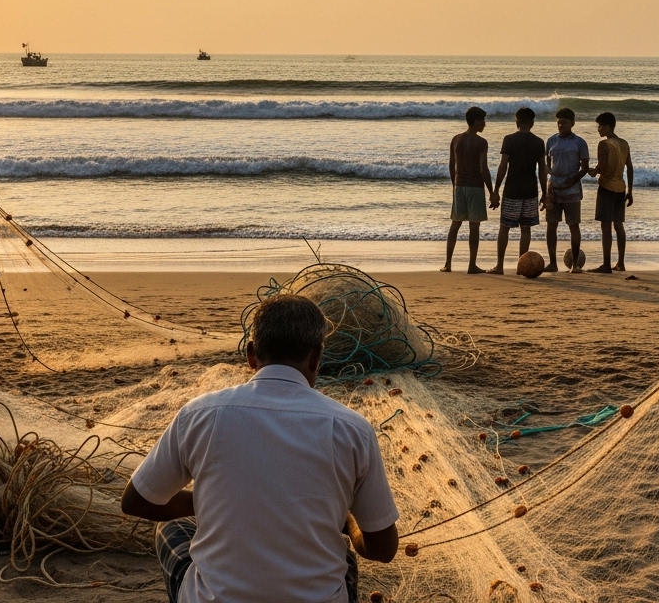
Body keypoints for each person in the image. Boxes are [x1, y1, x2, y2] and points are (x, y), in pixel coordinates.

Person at [120, 294, 399, 603]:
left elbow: (136, 501)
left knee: (169, 530)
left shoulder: (200, 414)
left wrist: (206, 503)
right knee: (342, 556)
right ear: (316, 358)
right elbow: (383, 549)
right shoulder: (352, 428)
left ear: (251, 355)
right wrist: (348, 521)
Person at [487, 107, 547, 274]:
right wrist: (545, 193)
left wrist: (495, 190)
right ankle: (522, 266)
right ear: (532, 122)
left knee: (504, 227)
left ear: (517, 121)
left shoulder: (509, 140)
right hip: (530, 190)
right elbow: (542, 169)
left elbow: (503, 166)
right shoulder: (538, 142)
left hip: (512, 189)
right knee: (526, 228)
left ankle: (500, 266)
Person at [442, 106, 498, 273]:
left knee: (455, 224)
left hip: (459, 186)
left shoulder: (456, 139)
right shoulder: (481, 142)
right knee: (474, 226)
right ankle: (471, 265)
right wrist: (492, 192)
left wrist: (455, 185)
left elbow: (452, 166)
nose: (485, 124)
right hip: (475, 187)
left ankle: (448, 264)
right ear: (475, 121)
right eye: (482, 120)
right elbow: (483, 169)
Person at [543, 107, 591, 273]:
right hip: (554, 190)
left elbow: (585, 168)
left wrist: (573, 179)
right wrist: (549, 182)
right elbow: (546, 164)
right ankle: (552, 263)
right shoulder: (551, 141)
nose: (560, 125)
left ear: (572, 123)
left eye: (564, 122)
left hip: (572, 191)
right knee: (551, 225)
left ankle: (576, 265)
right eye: (559, 122)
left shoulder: (579, 142)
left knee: (573, 225)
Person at [587, 112, 632, 273]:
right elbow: (630, 167)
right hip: (621, 187)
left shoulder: (604, 144)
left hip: (606, 187)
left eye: (600, 126)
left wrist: (591, 170)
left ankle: (606, 264)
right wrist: (631, 191)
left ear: (607, 126)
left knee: (606, 227)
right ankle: (620, 262)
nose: (598, 129)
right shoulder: (624, 143)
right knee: (618, 225)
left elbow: (602, 166)